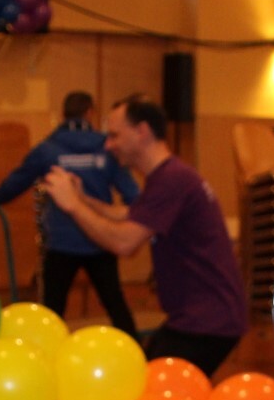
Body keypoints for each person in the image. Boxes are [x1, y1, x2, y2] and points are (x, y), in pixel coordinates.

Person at [42, 95, 247, 377]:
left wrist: (73, 207)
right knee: (147, 379)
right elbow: (128, 215)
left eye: (115, 135)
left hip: (208, 323)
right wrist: (83, 199)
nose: (108, 145)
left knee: (153, 390)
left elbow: (123, 242)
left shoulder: (171, 179)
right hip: (200, 318)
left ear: (142, 132)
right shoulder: (167, 176)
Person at [0, 91, 139, 335]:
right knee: (115, 303)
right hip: (100, 239)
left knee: (52, 311)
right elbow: (133, 195)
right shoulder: (106, 149)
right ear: (90, 113)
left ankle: (47, 353)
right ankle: (136, 350)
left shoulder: (47, 149)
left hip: (61, 242)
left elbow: (18, 181)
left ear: (63, 115)